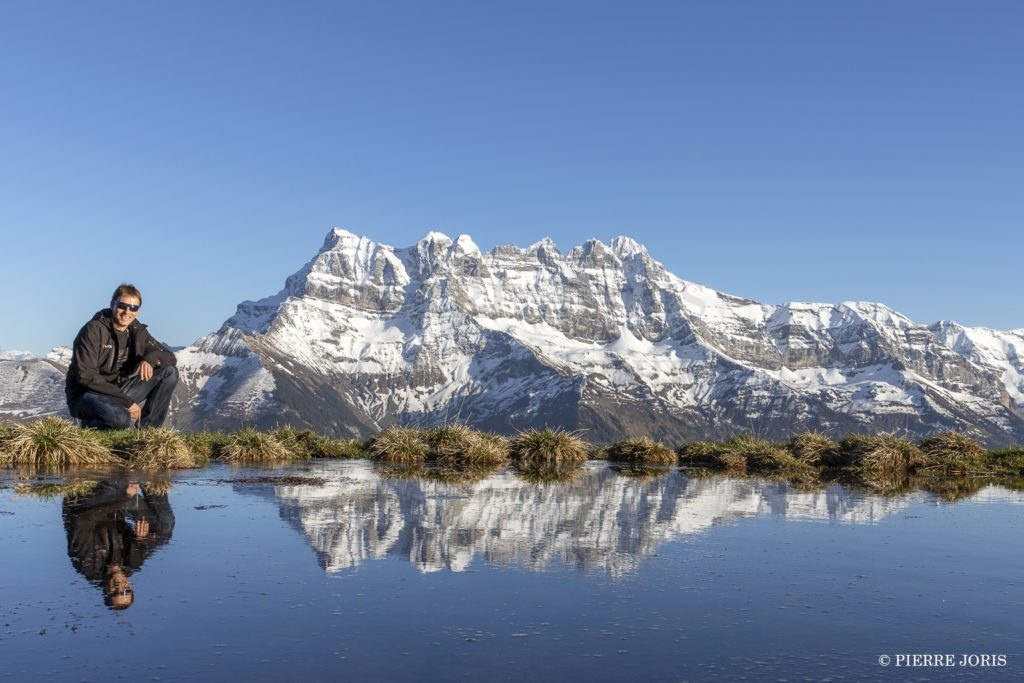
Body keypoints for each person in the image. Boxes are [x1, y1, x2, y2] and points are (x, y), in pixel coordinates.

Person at [65, 283, 179, 429]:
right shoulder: (93, 330)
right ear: (113, 304)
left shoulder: (137, 331)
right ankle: (89, 427)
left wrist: (149, 359)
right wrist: (128, 402)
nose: (127, 311)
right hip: (87, 395)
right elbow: (86, 376)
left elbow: (170, 357)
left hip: (118, 392)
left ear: (138, 311)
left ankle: (147, 432)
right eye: (122, 305)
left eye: (133, 307)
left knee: (170, 372)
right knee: (121, 419)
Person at [62, 478, 176, 609]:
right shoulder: (133, 563)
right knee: (164, 529)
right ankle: (152, 479)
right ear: (131, 587)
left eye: (116, 592)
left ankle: (121, 480)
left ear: (105, 592)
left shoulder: (86, 565)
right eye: (127, 591)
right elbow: (152, 543)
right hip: (116, 507)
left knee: (120, 482)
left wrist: (124, 498)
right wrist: (144, 540)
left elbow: (84, 520)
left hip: (85, 504)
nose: (121, 587)